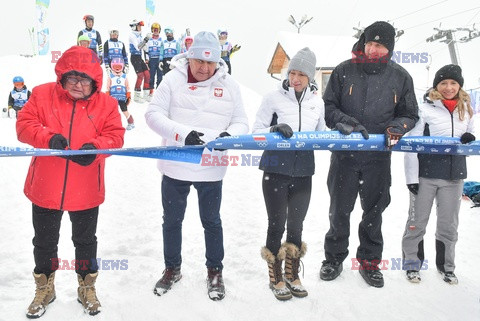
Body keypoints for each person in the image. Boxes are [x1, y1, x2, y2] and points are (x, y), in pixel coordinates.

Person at [17, 46, 125, 318]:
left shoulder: (107, 104)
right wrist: (47, 138)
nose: (78, 84)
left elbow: (116, 136)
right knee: (44, 241)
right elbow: (24, 125)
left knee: (86, 241)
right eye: (72, 78)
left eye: (84, 79)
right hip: (45, 186)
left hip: (86, 188)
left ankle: (86, 286)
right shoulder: (42, 94)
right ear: (62, 77)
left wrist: (96, 148)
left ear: (94, 82)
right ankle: (44, 288)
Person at [145, 31, 249, 301]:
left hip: (211, 167)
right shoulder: (171, 79)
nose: (204, 68)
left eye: (210, 63)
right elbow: (153, 114)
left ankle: (215, 271)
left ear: (218, 61)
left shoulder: (230, 85)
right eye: (199, 62)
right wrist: (182, 134)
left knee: (212, 221)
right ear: (189, 58)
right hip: (175, 165)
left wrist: (231, 136)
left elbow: (240, 121)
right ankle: (172, 268)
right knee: (172, 221)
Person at [319, 21, 419, 288]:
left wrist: (399, 127)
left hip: (378, 157)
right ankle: (333, 258)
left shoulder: (400, 77)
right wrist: (344, 122)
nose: (373, 49)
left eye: (380, 45)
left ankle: (370, 263)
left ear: (389, 48)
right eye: (370, 43)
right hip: (345, 155)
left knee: (374, 212)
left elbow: (410, 114)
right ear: (363, 43)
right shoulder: (343, 71)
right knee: (339, 210)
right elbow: (328, 108)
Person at [252, 48, 325, 300]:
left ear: (310, 77)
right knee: (276, 223)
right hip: (275, 167)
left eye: (301, 74)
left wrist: (341, 132)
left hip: (304, 170)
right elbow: (256, 130)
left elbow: (323, 134)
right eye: (292, 72)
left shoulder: (318, 101)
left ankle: (293, 274)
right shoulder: (273, 98)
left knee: (296, 224)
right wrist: (274, 127)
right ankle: (276, 276)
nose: (295, 78)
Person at [402, 64, 475, 285]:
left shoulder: (467, 109)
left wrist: (471, 136)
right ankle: (412, 266)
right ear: (436, 86)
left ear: (459, 85)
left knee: (448, 226)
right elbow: (412, 143)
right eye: (443, 83)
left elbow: (475, 130)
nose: (448, 87)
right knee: (417, 223)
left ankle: (447, 267)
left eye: (453, 83)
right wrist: (412, 178)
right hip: (426, 176)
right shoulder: (425, 109)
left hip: (454, 177)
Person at [106, 57, 134, 130]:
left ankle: (131, 122)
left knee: (124, 110)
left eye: (119, 67)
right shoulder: (110, 76)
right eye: (116, 67)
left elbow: (127, 87)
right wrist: (107, 95)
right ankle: (110, 125)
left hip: (122, 97)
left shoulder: (124, 77)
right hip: (113, 97)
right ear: (112, 67)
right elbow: (108, 87)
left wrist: (128, 95)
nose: (117, 69)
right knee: (111, 111)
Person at [128, 19, 151, 103]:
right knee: (140, 75)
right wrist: (146, 40)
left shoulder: (139, 35)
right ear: (134, 27)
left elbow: (144, 48)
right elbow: (138, 47)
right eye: (139, 26)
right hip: (134, 57)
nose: (140, 28)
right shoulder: (132, 35)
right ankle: (137, 96)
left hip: (139, 57)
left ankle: (146, 94)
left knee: (147, 74)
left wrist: (146, 45)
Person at [145, 22, 163, 89]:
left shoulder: (161, 40)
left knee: (160, 76)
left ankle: (159, 90)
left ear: (159, 30)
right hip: (151, 60)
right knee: (151, 76)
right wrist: (146, 59)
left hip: (158, 60)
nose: (155, 31)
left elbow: (162, 51)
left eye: (157, 30)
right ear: (152, 30)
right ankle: (150, 90)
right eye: (154, 30)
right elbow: (146, 51)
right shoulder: (149, 40)